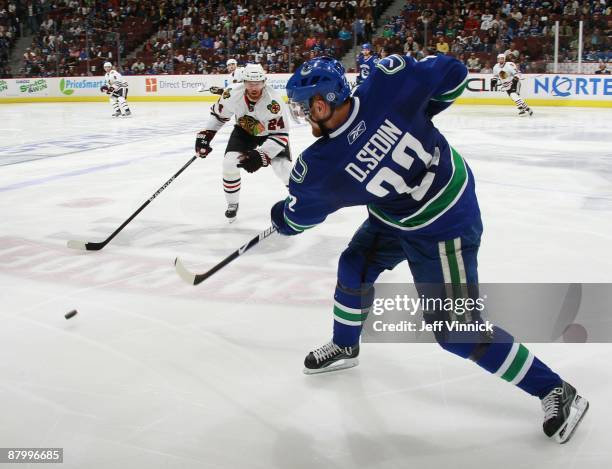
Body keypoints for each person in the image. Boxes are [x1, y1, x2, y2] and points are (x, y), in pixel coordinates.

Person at [271, 55, 588, 443]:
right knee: (353, 265)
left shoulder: (321, 167)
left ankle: (556, 390)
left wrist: (280, 216)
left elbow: (296, 220)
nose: (304, 116)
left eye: (306, 107)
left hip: (445, 224)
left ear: (323, 103)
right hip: (398, 213)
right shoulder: (386, 85)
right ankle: (345, 345)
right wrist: (419, 111)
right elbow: (454, 74)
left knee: (456, 331)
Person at [194, 63, 292, 222]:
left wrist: (261, 155)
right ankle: (232, 204)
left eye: (258, 83)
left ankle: (301, 200)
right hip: (245, 132)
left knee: (283, 168)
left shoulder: (274, 103)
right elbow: (219, 116)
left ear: (264, 81)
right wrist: (207, 134)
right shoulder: (231, 93)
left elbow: (280, 135)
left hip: (271, 135)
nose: (254, 88)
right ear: (243, 82)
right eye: (249, 83)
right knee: (229, 163)